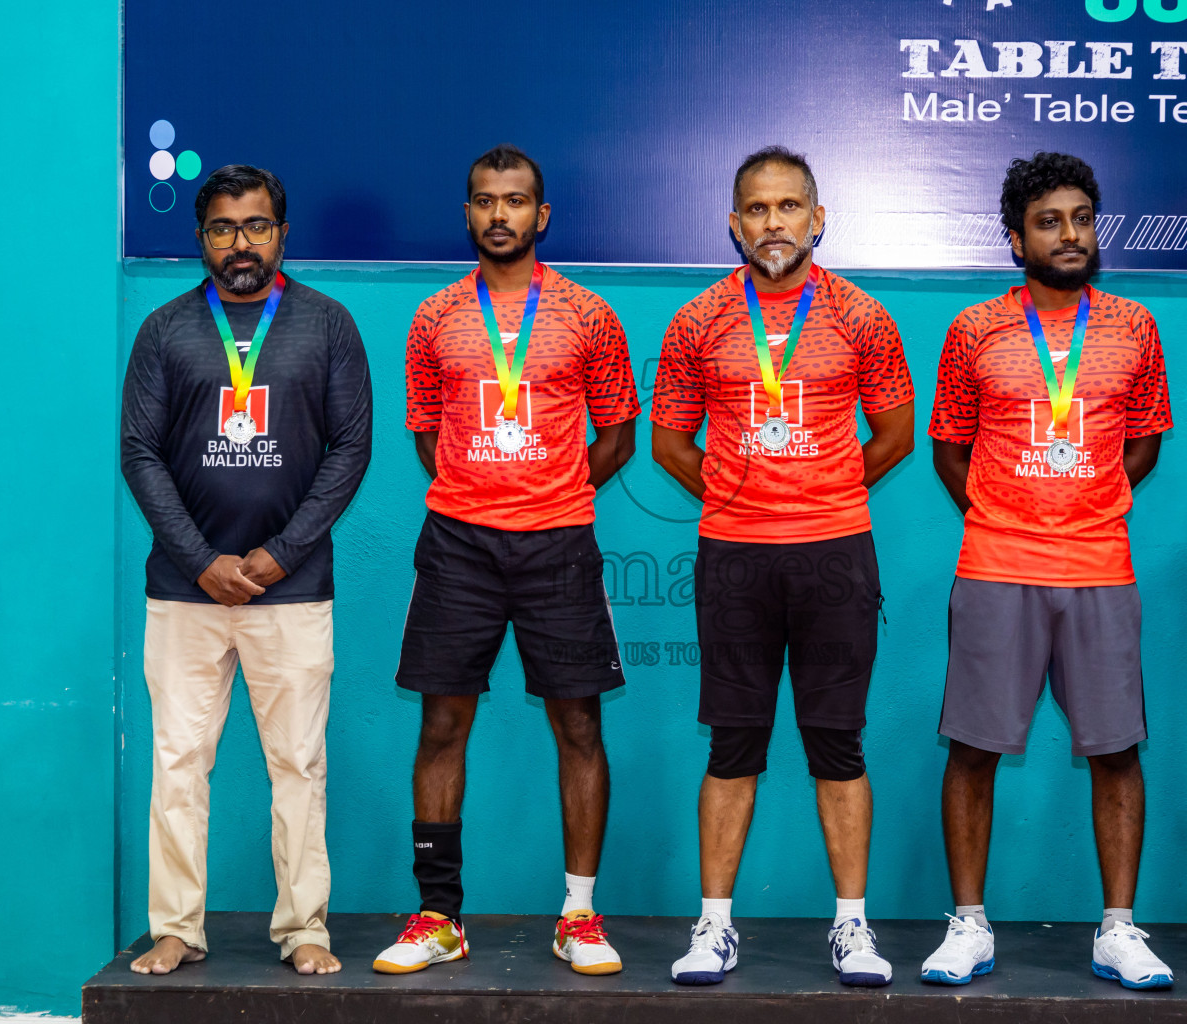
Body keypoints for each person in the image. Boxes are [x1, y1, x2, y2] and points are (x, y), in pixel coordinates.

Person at [650, 146, 915, 988]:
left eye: (790, 207)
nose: (774, 223)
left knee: (838, 742)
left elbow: (898, 433)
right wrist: (739, 488)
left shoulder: (862, 315)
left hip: (835, 552)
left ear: (818, 218)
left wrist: (825, 486)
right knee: (734, 744)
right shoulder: (698, 320)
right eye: (757, 210)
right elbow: (666, 442)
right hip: (735, 556)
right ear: (734, 224)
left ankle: (852, 928)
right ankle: (714, 926)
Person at [373, 144, 639, 977]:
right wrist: (481, 490)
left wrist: (548, 487)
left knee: (580, 725)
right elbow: (425, 432)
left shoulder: (589, 314)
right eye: (485, 200)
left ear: (541, 215)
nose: (500, 215)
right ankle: (438, 915)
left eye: (515, 201)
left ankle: (579, 914)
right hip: (459, 543)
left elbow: (618, 433)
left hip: (559, 541)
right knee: (442, 724)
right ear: (467, 214)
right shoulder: (434, 317)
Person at [923, 153, 1174, 991]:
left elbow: (1143, 443)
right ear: (1016, 236)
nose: (1069, 235)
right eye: (1049, 222)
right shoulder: (974, 330)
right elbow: (949, 448)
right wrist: (1009, 508)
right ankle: (968, 926)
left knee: (1116, 751)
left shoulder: (1135, 325)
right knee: (973, 750)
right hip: (996, 565)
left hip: (1101, 565)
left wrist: (1084, 498)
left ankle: (1118, 930)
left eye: (1081, 218)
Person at [120, 165, 374, 975]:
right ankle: (176, 928)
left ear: (282, 233)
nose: (241, 243)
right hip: (184, 592)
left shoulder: (327, 325)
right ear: (201, 238)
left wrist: (277, 555)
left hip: (291, 591)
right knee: (177, 765)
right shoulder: (164, 331)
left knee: (299, 765)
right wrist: (204, 562)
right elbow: (140, 453)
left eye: (256, 226)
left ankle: (305, 929)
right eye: (224, 228)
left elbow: (350, 450)